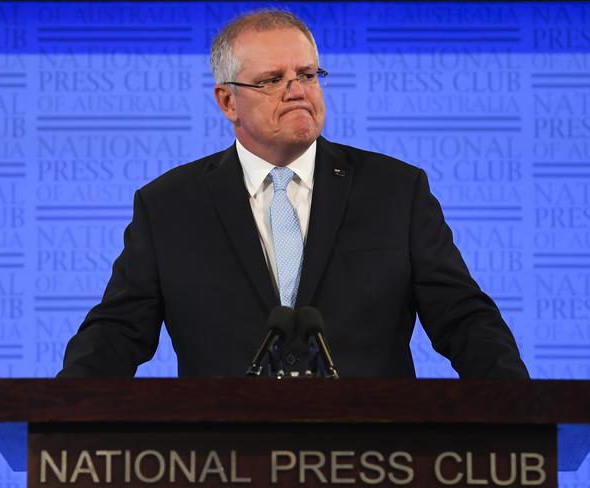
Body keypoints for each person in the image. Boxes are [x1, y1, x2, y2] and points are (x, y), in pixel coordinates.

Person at [58, 9, 529, 379]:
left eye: (307, 74)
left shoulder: (395, 191)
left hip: (375, 456)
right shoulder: (169, 206)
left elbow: (463, 318)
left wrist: (520, 407)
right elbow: (118, 332)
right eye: (272, 80)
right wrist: (61, 411)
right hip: (219, 459)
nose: (297, 90)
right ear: (227, 101)